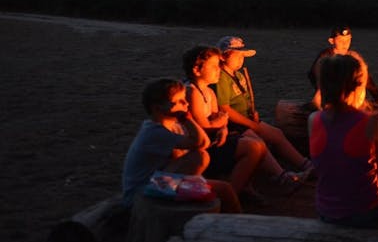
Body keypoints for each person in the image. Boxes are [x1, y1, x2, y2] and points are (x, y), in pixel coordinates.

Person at [182, 45, 301, 203]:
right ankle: (228, 196)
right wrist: (220, 123)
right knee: (252, 147)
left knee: (256, 144)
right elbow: (206, 126)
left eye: (218, 65)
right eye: (214, 66)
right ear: (197, 70)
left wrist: (222, 127)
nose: (218, 69)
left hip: (215, 140)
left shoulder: (209, 92)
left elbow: (218, 118)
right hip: (202, 148)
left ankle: (240, 189)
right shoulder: (192, 92)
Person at [121, 78, 240, 212]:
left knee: (224, 189)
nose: (186, 103)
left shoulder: (173, 126)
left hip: (159, 182)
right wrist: (186, 118)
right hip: (143, 192)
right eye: (178, 101)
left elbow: (201, 143)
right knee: (201, 157)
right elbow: (201, 142)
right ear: (157, 108)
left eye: (184, 98)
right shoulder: (154, 132)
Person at [309, 54, 378, 228]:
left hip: (326, 212)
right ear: (358, 86)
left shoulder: (313, 120)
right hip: (367, 212)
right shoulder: (375, 121)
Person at [214, 36, 314, 178]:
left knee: (276, 134)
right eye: (236, 56)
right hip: (234, 124)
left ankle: (306, 165)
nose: (240, 59)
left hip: (247, 120)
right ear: (223, 57)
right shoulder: (221, 78)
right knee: (257, 141)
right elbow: (225, 108)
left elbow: (246, 99)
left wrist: (253, 115)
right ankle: (281, 176)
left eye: (242, 56)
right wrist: (250, 124)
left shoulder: (239, 75)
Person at [308, 25, 378, 110]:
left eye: (348, 40)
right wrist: (323, 90)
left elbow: (366, 78)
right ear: (331, 41)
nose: (345, 44)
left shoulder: (354, 57)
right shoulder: (326, 57)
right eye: (340, 40)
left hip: (351, 99)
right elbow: (312, 74)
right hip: (329, 99)